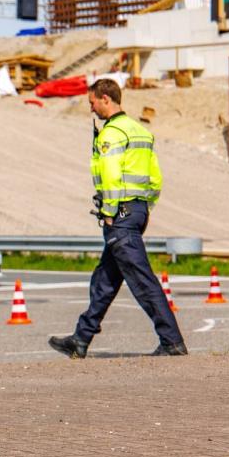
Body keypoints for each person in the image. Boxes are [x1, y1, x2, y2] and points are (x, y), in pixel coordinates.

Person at [49, 78, 187, 359]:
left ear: (105, 99)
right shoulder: (141, 131)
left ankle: (172, 341)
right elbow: (155, 178)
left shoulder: (111, 135)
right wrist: (145, 208)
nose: (91, 109)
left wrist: (111, 212)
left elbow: (111, 175)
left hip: (120, 215)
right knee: (105, 279)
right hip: (136, 211)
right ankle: (80, 338)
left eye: (92, 103)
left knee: (142, 280)